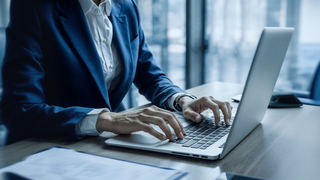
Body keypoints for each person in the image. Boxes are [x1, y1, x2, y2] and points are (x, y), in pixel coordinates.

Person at [1, 0, 232, 145]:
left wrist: (182, 100)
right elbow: (20, 110)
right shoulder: (33, 6)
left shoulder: (126, 6)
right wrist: (106, 119)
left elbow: (149, 73)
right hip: (43, 148)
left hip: (103, 146)